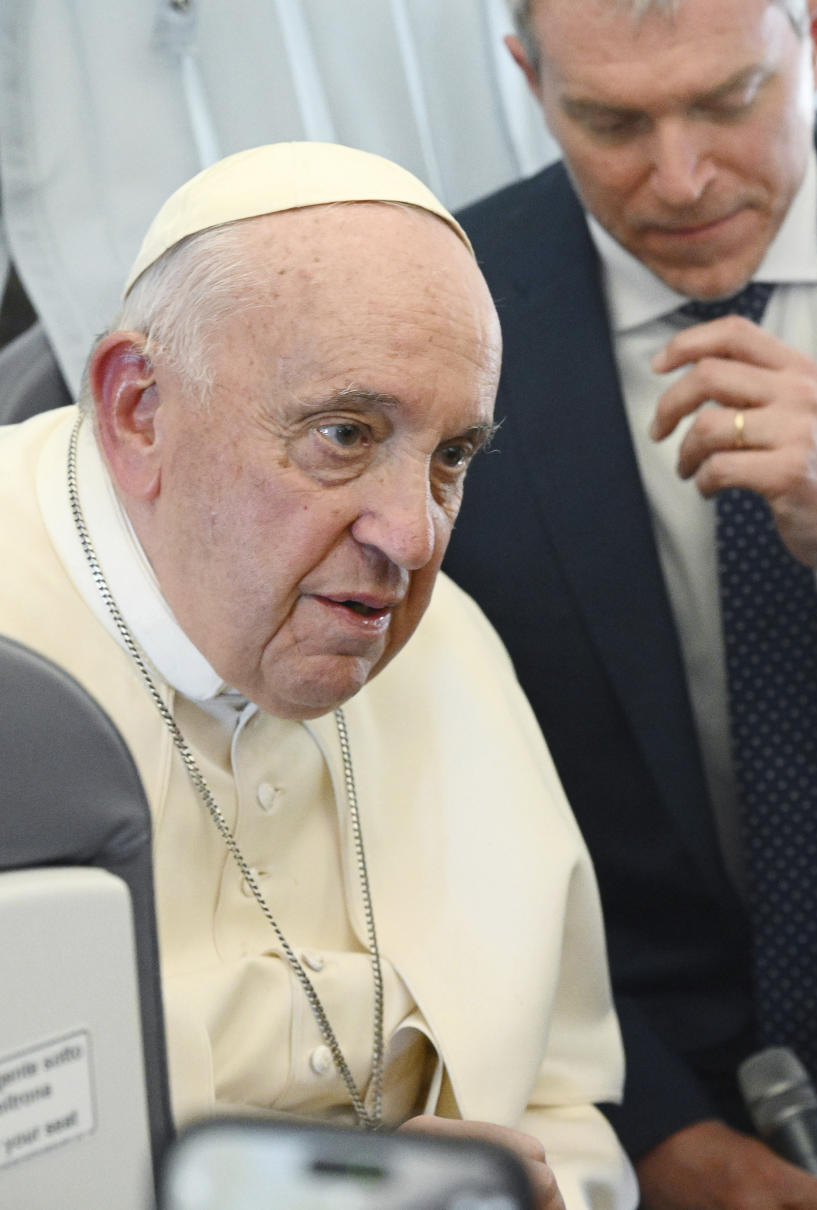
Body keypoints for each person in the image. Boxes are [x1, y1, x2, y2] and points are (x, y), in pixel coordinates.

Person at [0, 141, 638, 1210]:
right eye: (346, 434)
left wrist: (536, 1194)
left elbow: (565, 1102)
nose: (415, 536)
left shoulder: (449, 646)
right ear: (138, 408)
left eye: (452, 459)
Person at [442, 1, 817, 1207]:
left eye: (730, 101)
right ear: (527, 77)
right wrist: (648, 1123)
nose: (679, 179)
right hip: (647, 1061)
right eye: (611, 121)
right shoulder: (453, 312)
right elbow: (425, 793)